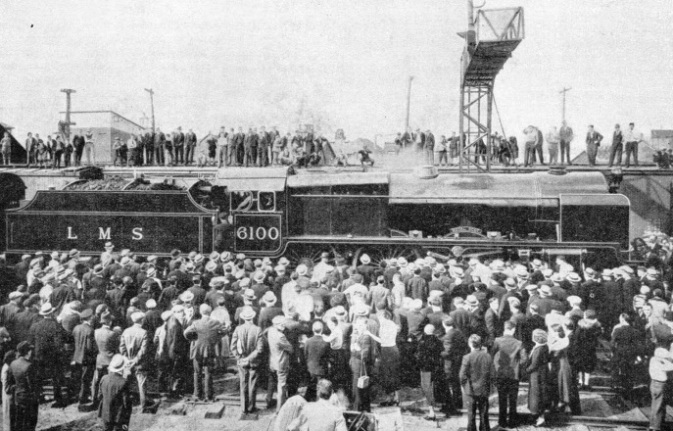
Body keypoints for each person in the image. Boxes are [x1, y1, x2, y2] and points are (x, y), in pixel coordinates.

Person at [184, 303, 226, 401]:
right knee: (208, 373)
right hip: (209, 349)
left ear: (200, 312)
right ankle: (208, 395)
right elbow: (224, 331)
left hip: (197, 350)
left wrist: (192, 339)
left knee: (197, 372)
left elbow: (186, 333)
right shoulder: (215, 322)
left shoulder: (196, 323)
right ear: (210, 312)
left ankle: (197, 394)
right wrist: (215, 339)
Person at [491, 320, 526, 428]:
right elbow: (524, 359)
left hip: (500, 373)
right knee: (513, 399)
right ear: (514, 330)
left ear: (504, 328)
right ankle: (512, 422)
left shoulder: (497, 341)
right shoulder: (519, 343)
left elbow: (491, 354)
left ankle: (502, 421)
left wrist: (496, 365)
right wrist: (517, 365)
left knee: (501, 398)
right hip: (513, 374)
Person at [230, 306, 263, 416]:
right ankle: (251, 407)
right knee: (252, 384)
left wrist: (239, 358)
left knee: (243, 383)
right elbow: (260, 349)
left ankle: (244, 408)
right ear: (253, 317)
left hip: (241, 361)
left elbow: (233, 347)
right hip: (253, 362)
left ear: (243, 318)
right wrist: (249, 358)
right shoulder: (258, 330)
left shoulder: (238, 329)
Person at [366, 309, 400, 406]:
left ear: (384, 316)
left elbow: (381, 340)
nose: (378, 320)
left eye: (379, 317)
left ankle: (390, 398)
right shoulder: (393, 324)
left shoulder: (385, 325)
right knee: (393, 374)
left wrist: (370, 334)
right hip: (393, 349)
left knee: (387, 374)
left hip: (387, 350)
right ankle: (394, 397)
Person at [460, 334, 493, 431]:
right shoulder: (488, 356)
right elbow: (492, 372)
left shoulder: (467, 357)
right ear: (480, 344)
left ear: (470, 344)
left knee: (471, 413)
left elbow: (462, 375)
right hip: (484, 388)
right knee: (484, 413)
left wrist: (463, 386)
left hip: (470, 389)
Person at [119, 311, 150, 409]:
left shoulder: (126, 331)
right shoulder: (144, 332)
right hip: (139, 363)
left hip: (127, 362)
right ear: (142, 320)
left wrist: (127, 359)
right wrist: (135, 360)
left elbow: (122, 347)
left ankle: (124, 405)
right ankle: (143, 406)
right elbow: (143, 350)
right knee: (142, 384)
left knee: (125, 384)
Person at [9, 341, 39, 431]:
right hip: (29, 398)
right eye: (30, 349)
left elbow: (11, 381)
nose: (31, 352)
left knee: (20, 420)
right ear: (27, 351)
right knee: (30, 422)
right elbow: (32, 385)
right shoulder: (29, 366)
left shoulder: (13, 363)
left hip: (18, 397)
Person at [98, 354, 132, 431]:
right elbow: (126, 403)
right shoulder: (124, 382)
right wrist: (126, 421)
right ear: (122, 368)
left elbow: (99, 396)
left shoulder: (103, 378)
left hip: (105, 414)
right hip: (118, 417)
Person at [267, 314, 294, 411]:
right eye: (282, 325)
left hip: (273, 360)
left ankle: (268, 400)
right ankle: (280, 408)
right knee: (281, 386)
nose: (284, 327)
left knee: (273, 382)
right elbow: (290, 349)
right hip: (281, 362)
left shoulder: (270, 331)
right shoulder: (281, 336)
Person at [72, 308, 98, 406]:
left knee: (79, 378)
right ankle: (83, 398)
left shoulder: (76, 328)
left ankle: (78, 395)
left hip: (77, 357)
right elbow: (89, 347)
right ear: (88, 318)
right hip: (86, 358)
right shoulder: (90, 330)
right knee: (86, 379)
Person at [526, 329, 549, 426]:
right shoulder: (544, 347)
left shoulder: (538, 349)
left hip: (536, 375)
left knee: (536, 395)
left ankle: (539, 417)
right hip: (542, 373)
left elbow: (534, 364)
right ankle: (540, 416)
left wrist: (526, 370)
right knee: (540, 395)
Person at [2, 350, 16, 431]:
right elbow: (6, 388)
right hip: (8, 398)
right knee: (9, 417)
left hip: (10, 398)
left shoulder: (8, 367)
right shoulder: (6, 369)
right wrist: (17, 386)